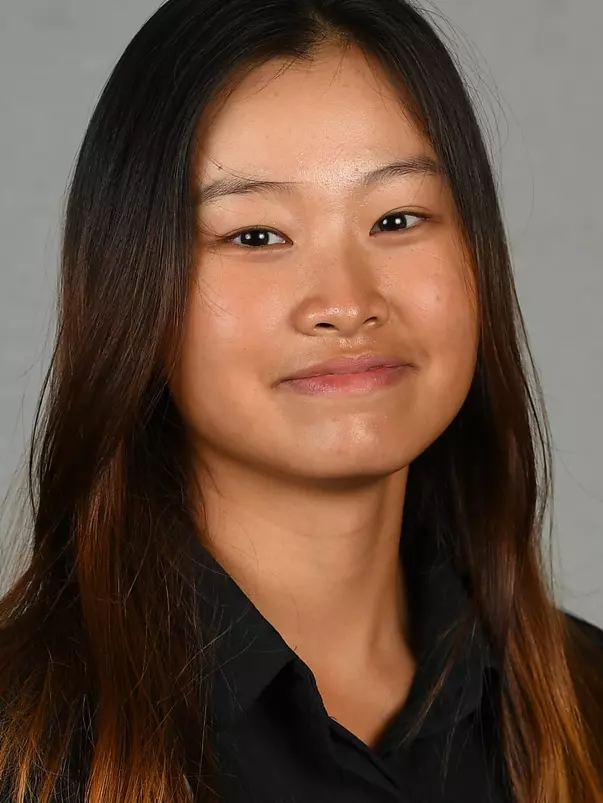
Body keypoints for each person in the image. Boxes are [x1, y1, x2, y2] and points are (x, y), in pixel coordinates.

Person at [0, 0, 602, 801]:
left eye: (396, 218)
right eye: (255, 235)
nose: (345, 302)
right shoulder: (24, 742)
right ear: (132, 282)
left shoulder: (586, 702)